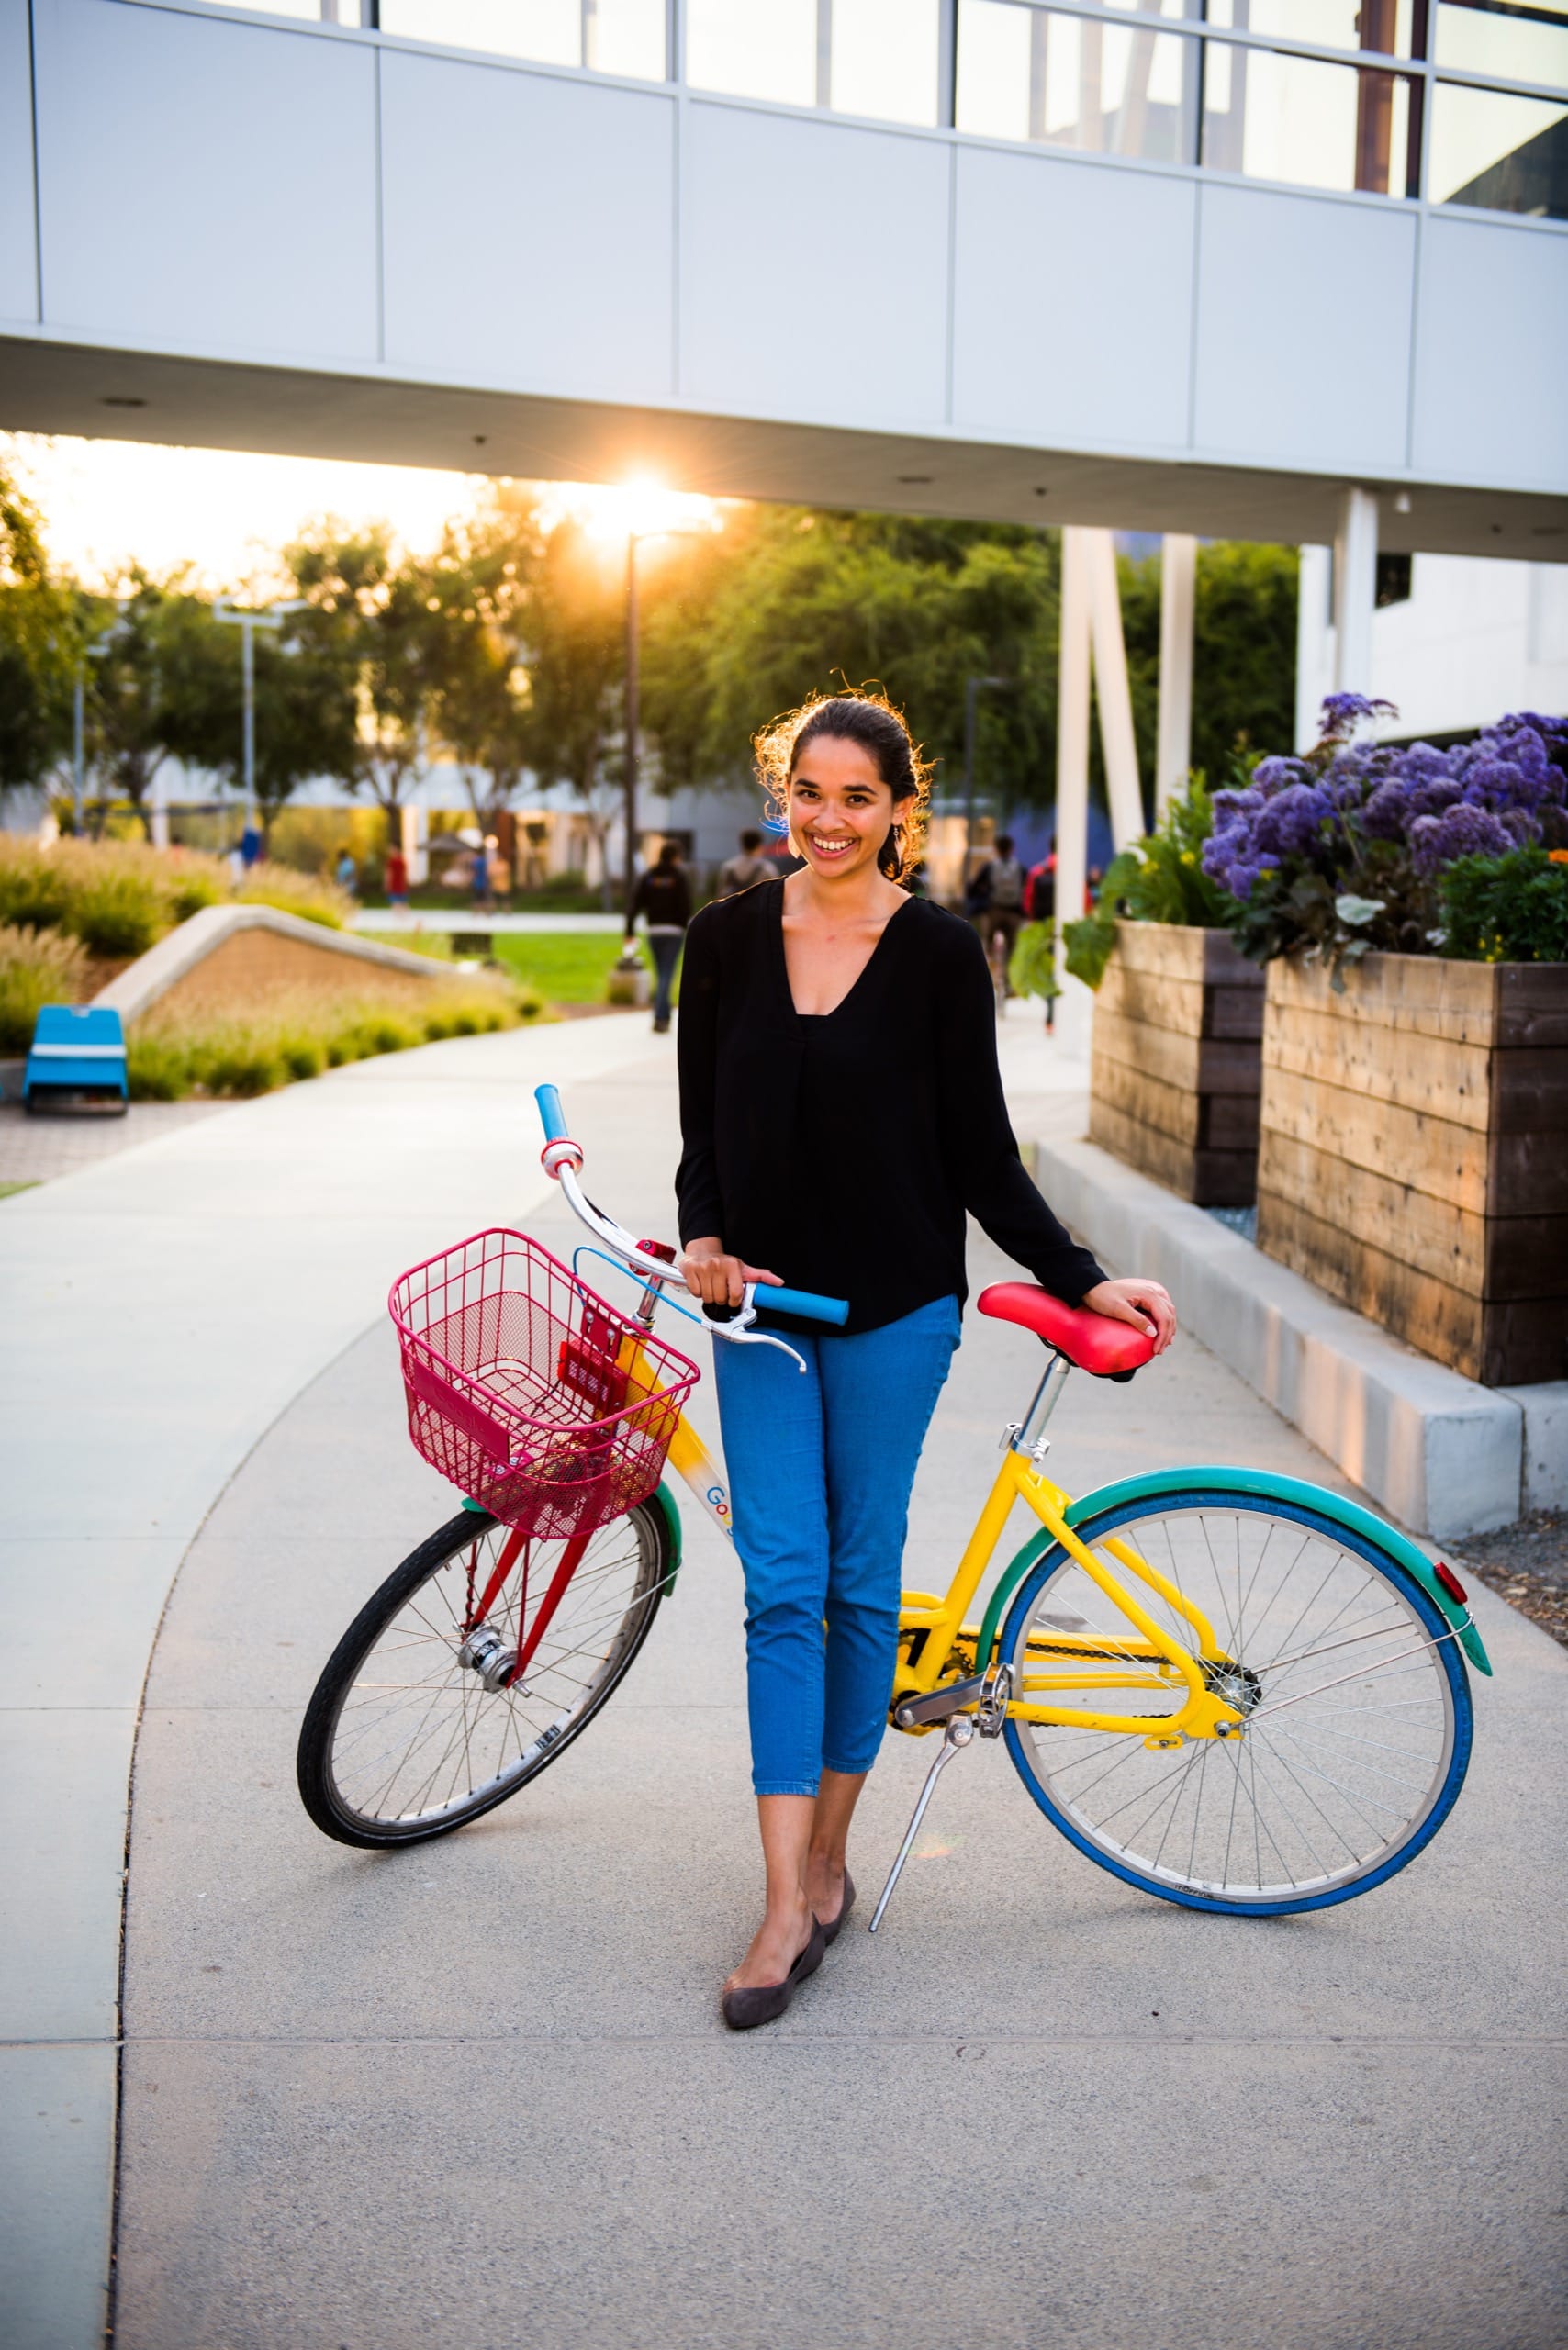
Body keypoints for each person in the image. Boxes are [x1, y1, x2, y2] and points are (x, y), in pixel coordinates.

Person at [675, 690, 1175, 2031]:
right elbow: (699, 1135)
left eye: (858, 797)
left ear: (903, 807)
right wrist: (705, 1239)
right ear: (783, 795)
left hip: (896, 1310)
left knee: (852, 1585)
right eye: (809, 792)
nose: (830, 820)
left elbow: (981, 1156)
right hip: (761, 1317)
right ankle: (786, 1902)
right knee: (780, 1585)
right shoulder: (722, 938)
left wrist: (1081, 1274)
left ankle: (830, 1855)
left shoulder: (945, 954)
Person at [625, 840, 692, 1034]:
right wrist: (684, 926)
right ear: (675, 857)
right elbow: (685, 905)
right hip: (674, 931)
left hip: (654, 930)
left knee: (661, 973)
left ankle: (663, 1015)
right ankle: (660, 1017)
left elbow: (634, 904)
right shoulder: (678, 877)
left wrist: (629, 931)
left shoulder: (649, 876)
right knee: (666, 974)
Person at [975, 833, 1025, 1001]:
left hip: (994, 911)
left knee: (986, 944)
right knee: (1012, 949)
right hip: (1013, 913)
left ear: (996, 849)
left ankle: (987, 975)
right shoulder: (1019, 867)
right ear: (1012, 849)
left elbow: (975, 886)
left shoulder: (990, 866)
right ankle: (1010, 985)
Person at [716, 829, 773, 898]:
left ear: (742, 844)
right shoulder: (767, 868)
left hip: (734, 907)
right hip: (758, 906)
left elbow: (721, 893)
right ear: (759, 845)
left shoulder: (729, 866)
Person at [385, 844, 409, 910]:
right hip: (400, 886)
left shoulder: (392, 861)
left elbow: (388, 874)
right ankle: (404, 918)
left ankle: (401, 918)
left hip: (396, 886)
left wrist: (386, 884)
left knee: (396, 904)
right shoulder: (402, 860)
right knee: (403, 904)